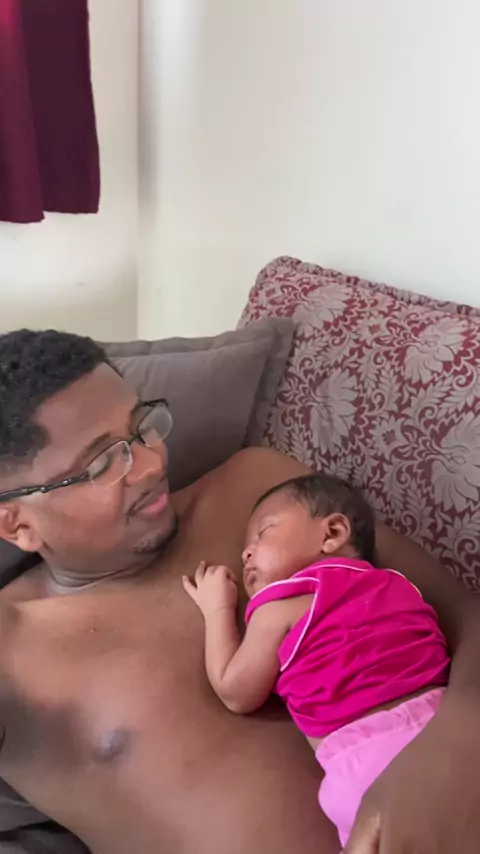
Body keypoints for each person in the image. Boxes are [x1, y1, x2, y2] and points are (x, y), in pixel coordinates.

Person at [0, 329, 478, 854]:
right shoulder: (14, 650)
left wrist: (454, 746)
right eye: (102, 464)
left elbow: (464, 611)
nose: (154, 464)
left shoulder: (260, 492)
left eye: (142, 427)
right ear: (16, 524)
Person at [183, 473, 451, 846]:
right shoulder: (398, 584)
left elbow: (235, 690)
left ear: (332, 533)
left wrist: (217, 608)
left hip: (368, 757)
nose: (246, 552)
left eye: (263, 532)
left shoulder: (281, 606)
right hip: (447, 723)